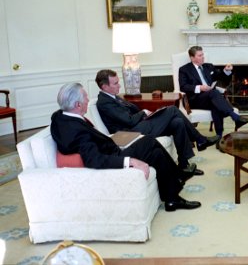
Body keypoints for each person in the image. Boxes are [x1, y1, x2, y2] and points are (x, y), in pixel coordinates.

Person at [50, 83, 201, 212]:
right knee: (148, 141)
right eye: (85, 97)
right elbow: (94, 160)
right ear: (77, 105)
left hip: (111, 147)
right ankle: (178, 176)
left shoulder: (59, 117)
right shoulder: (77, 131)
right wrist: (130, 161)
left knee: (155, 153)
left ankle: (171, 199)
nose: (88, 99)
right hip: (113, 156)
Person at [95, 69, 219, 177]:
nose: (119, 86)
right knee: (173, 109)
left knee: (177, 122)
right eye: (116, 83)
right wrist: (143, 112)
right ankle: (200, 140)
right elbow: (129, 120)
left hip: (137, 126)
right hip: (127, 134)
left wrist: (148, 114)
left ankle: (183, 165)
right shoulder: (104, 102)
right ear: (105, 87)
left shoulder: (114, 97)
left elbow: (131, 113)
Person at [178, 46, 248, 141]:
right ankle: (234, 116)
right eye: (200, 55)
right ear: (192, 58)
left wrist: (226, 70)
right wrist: (200, 87)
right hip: (194, 99)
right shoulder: (184, 69)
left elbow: (220, 76)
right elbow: (183, 86)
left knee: (215, 105)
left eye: (202, 54)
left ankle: (219, 137)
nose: (203, 57)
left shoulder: (208, 66)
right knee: (214, 93)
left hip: (210, 98)